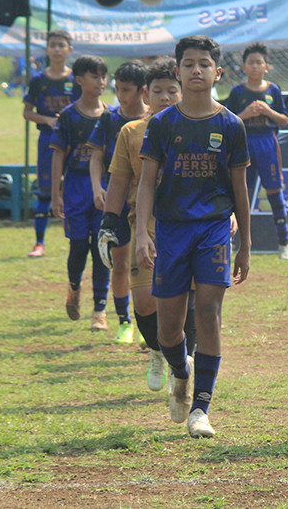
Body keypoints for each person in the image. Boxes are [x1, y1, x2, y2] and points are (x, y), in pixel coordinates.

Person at [136, 35, 251, 439]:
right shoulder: (163, 124)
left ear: (217, 72)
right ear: (178, 70)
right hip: (170, 232)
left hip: (214, 229)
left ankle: (200, 409)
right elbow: (147, 181)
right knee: (169, 329)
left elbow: (240, 189)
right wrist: (141, 234)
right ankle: (180, 370)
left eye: (204, 63)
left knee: (208, 312)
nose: (196, 70)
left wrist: (246, 246)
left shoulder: (231, 125)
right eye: (188, 63)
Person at [98, 59, 191, 392]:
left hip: (188, 225)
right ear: (146, 94)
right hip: (144, 227)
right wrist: (108, 223)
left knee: (187, 299)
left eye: (171, 90)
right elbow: (120, 181)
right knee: (145, 302)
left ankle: (182, 362)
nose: (165, 97)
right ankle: (157, 350)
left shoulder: (197, 127)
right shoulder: (131, 132)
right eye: (158, 91)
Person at [88, 60, 149, 344]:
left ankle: (151, 323)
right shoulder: (109, 119)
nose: (120, 95)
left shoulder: (154, 121)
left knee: (150, 264)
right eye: (117, 89)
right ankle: (125, 322)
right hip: (117, 202)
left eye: (126, 89)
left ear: (142, 91)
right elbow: (97, 156)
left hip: (145, 204)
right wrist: (98, 188)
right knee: (121, 262)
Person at [49, 55, 110, 330]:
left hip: (104, 188)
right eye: (95, 76)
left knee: (102, 249)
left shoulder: (111, 115)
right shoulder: (69, 117)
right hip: (75, 187)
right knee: (78, 247)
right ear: (79, 80)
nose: (101, 81)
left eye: (103, 76)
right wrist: (55, 194)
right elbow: (58, 157)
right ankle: (74, 288)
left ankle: (100, 310)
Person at [223, 43, 288, 260]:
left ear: (266, 66)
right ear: (244, 67)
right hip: (245, 143)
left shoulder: (273, 90)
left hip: (267, 144)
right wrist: (245, 113)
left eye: (259, 62)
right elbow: (228, 122)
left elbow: (284, 119)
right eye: (251, 63)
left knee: (274, 192)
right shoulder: (237, 92)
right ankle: (233, 243)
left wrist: (267, 111)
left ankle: (284, 246)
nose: (255, 66)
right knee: (240, 192)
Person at [23, 30, 80, 258]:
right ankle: (39, 242)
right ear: (46, 50)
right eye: (53, 45)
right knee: (46, 192)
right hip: (48, 140)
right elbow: (27, 112)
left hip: (74, 140)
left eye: (61, 45)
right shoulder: (38, 80)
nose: (57, 49)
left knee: (75, 189)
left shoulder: (76, 79)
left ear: (69, 50)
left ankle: (76, 239)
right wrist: (46, 119)